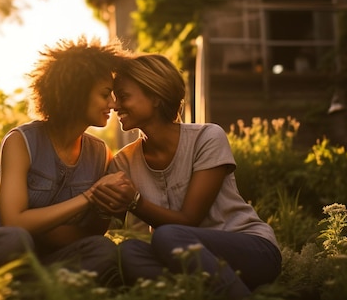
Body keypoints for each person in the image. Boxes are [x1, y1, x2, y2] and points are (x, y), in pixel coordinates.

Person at [91, 53, 282, 299]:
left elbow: (189, 220)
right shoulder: (123, 162)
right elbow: (103, 223)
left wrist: (134, 201)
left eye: (124, 96)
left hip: (251, 250)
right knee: (128, 252)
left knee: (168, 234)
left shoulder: (207, 138)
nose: (115, 105)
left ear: (156, 97)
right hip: (184, 258)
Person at [0, 36, 126, 286]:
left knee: (101, 248)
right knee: (15, 239)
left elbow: (89, 233)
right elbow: (14, 222)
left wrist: (111, 201)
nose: (113, 104)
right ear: (77, 93)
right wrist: (88, 197)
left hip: (39, 255)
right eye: (106, 94)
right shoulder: (21, 141)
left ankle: (22, 290)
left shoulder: (100, 153)